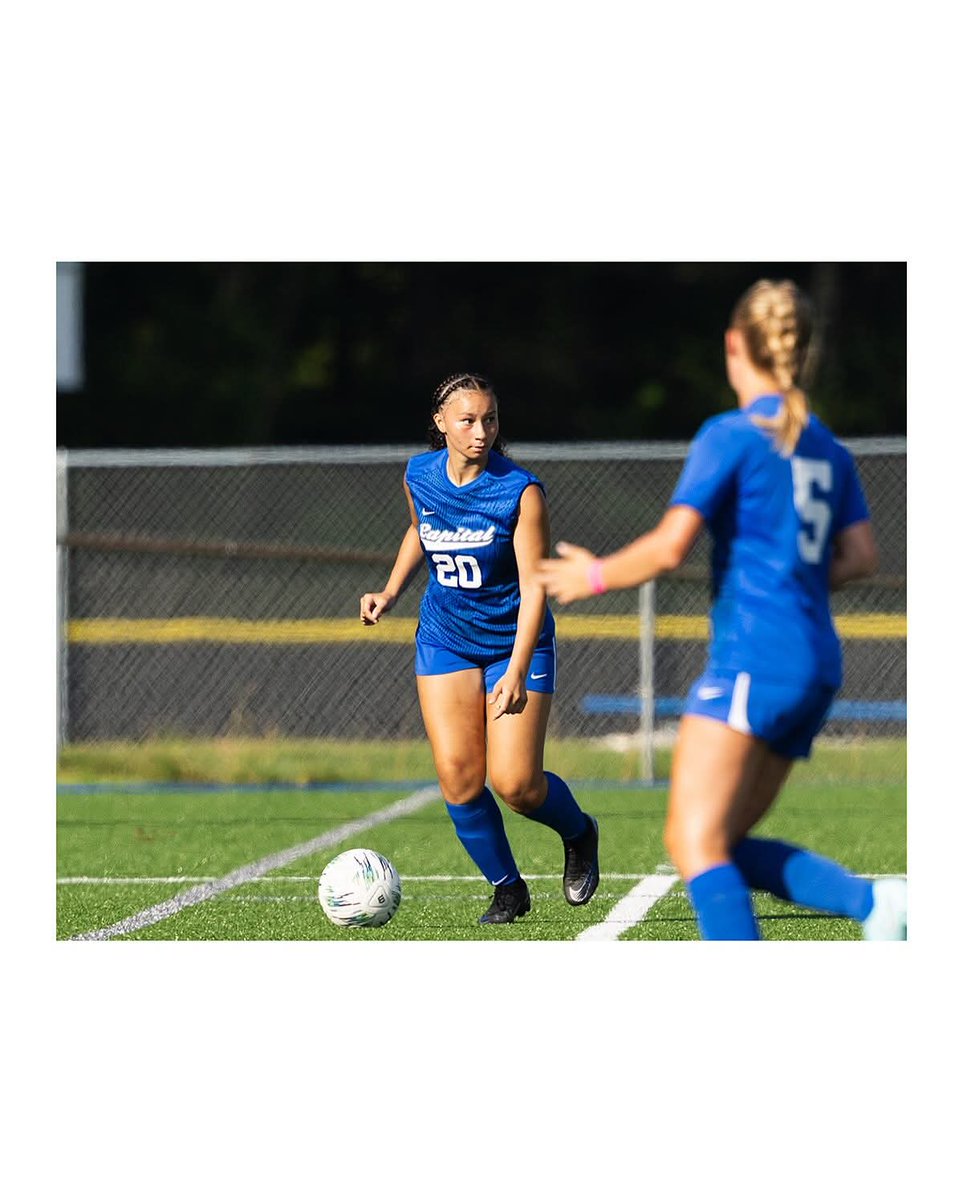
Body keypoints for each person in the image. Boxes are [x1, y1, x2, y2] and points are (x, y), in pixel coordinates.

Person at [535, 279, 907, 941]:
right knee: (719, 842)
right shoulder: (825, 444)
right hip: (814, 662)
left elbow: (670, 546)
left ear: (734, 344)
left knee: (694, 840)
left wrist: (589, 573)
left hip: (755, 660)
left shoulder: (731, 434)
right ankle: (878, 907)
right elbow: (859, 559)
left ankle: (869, 908)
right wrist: (791, 573)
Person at [360, 372, 600, 925]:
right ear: (440, 423)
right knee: (459, 779)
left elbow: (537, 583)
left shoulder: (519, 490)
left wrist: (516, 669)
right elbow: (422, 528)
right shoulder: (418, 474)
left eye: (489, 419)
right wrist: (391, 590)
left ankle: (579, 831)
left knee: (516, 785)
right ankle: (508, 888)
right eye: (467, 420)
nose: (480, 431)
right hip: (445, 638)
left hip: (515, 643)